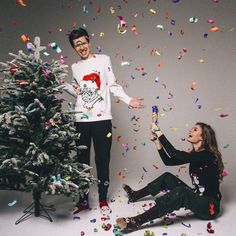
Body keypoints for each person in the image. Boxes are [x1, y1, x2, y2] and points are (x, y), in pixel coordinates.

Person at [67, 27, 144, 214]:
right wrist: (65, 86)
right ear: (74, 47)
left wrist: (129, 100)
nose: (81, 47)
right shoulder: (75, 67)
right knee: (81, 163)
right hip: (81, 120)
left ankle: (103, 200)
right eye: (77, 45)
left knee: (102, 161)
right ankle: (83, 200)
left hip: (102, 121)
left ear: (89, 41)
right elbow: (78, 90)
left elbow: (113, 85)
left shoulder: (103, 60)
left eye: (83, 42)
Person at [116, 112, 224, 232]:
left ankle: (136, 221)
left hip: (208, 207)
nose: (190, 131)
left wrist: (158, 132)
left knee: (182, 192)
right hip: (197, 197)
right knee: (167, 177)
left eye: (195, 130)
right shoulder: (195, 155)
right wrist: (157, 142)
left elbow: (174, 153)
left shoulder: (207, 155)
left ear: (202, 137)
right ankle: (134, 195)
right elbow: (169, 161)